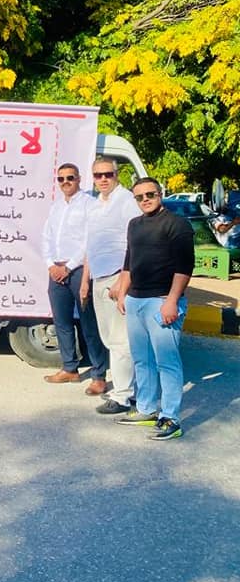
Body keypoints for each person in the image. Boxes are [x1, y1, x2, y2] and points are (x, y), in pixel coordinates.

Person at [115, 177, 194, 440]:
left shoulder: (177, 224)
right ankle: (146, 409)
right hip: (135, 300)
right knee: (142, 360)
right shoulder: (134, 224)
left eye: (150, 194)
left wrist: (172, 300)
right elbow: (129, 262)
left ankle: (171, 418)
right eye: (139, 197)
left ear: (160, 194)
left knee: (166, 363)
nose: (145, 200)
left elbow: (185, 267)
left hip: (161, 301)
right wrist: (123, 293)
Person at [79, 158, 143, 415]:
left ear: (117, 174)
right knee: (109, 338)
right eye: (98, 175)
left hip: (117, 277)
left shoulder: (126, 201)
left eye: (108, 174)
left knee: (120, 340)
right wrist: (85, 281)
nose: (103, 179)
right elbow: (91, 246)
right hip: (99, 277)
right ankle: (129, 389)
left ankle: (123, 395)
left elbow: (136, 242)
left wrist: (123, 280)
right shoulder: (96, 205)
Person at [41, 163, 108, 391]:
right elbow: (46, 237)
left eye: (70, 178)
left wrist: (68, 267)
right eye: (61, 179)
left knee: (89, 324)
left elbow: (90, 241)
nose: (65, 182)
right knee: (62, 322)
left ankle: (99, 375)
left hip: (79, 270)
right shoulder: (56, 206)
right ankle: (70, 368)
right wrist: (51, 265)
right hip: (56, 270)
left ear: (79, 179)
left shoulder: (89, 204)